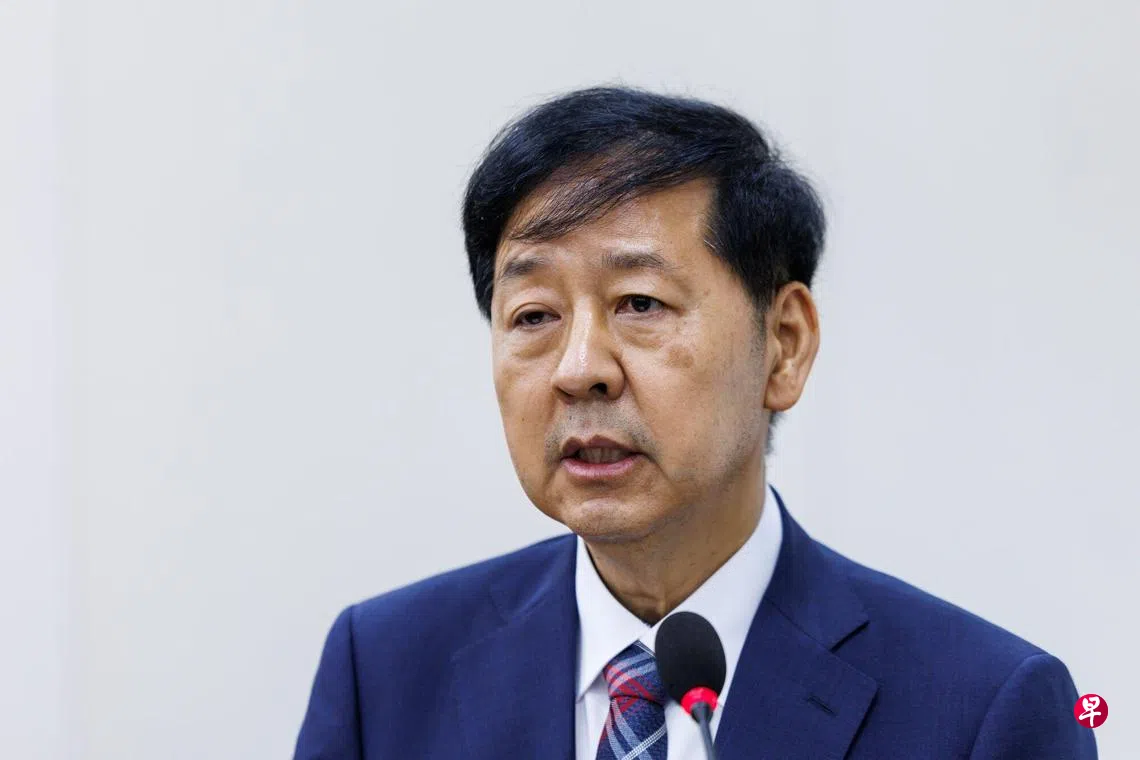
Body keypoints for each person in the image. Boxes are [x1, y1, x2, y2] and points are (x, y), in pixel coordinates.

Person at [293, 87, 1096, 759]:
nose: (580, 368)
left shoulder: (985, 710)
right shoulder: (385, 672)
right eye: (534, 315)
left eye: (640, 303)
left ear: (784, 345)